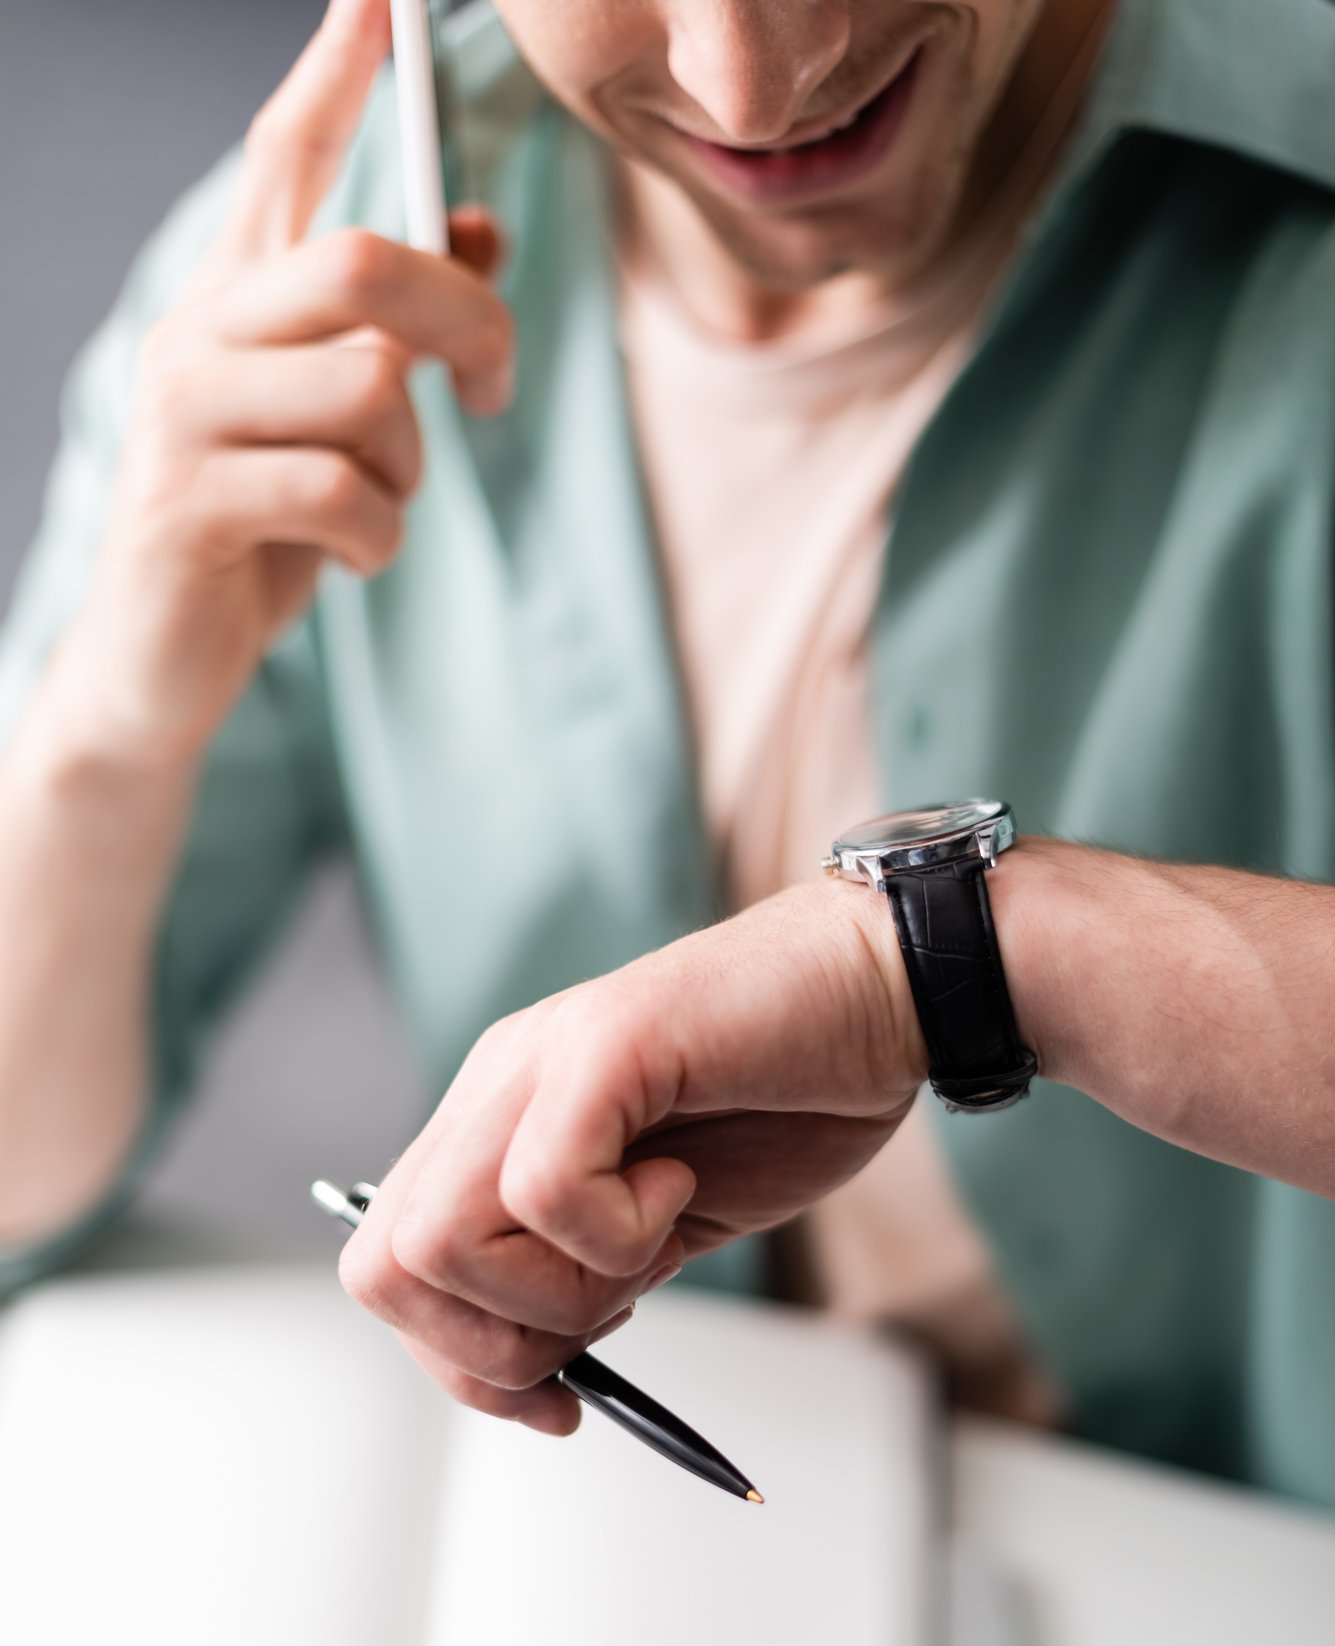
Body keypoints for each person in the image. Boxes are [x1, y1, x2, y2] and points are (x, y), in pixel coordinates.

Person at [1, 0, 1332, 1500]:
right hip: (704, 1561)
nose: (751, 89)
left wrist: (991, 961)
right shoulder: (316, 276)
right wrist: (104, 733)